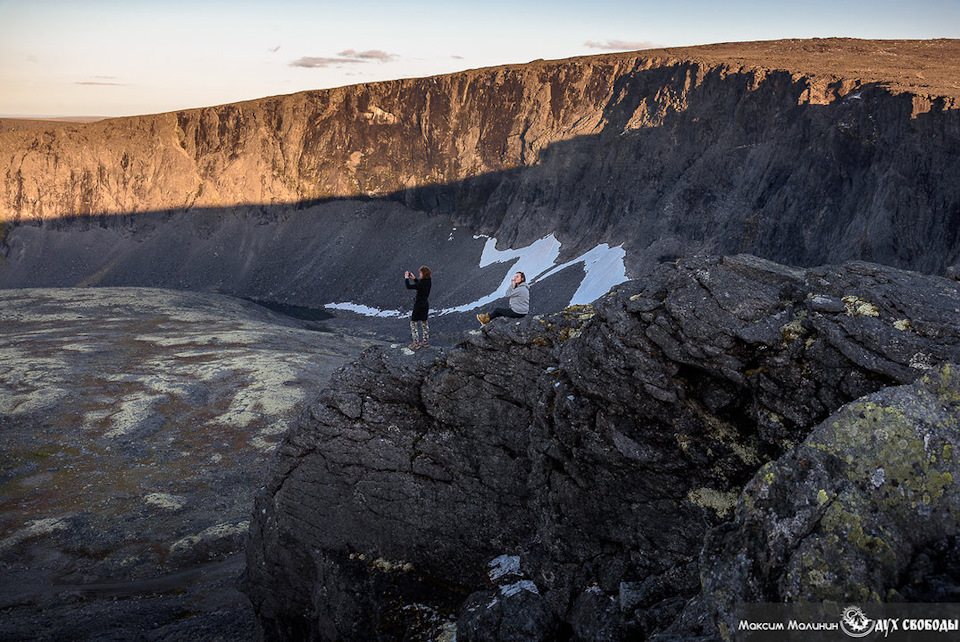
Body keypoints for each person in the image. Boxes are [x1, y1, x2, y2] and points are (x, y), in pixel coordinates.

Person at [404, 266, 432, 349]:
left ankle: (416, 342)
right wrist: (414, 278)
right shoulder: (428, 281)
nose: (419, 274)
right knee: (424, 323)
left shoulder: (421, 283)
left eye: (420, 273)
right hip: (425, 304)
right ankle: (425, 341)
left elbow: (409, 286)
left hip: (418, 305)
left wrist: (406, 278)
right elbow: (420, 284)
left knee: (413, 323)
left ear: (424, 274)